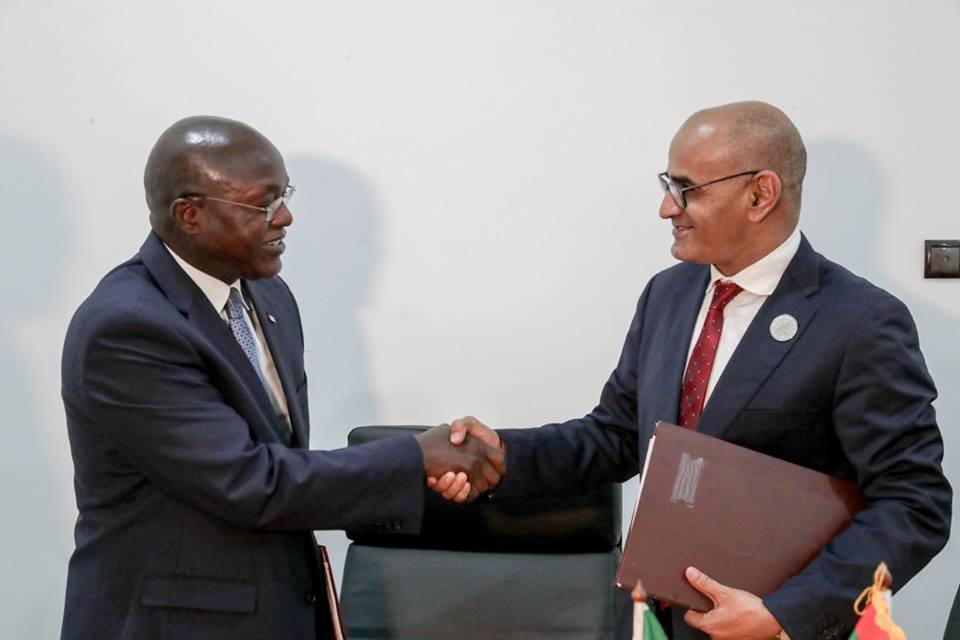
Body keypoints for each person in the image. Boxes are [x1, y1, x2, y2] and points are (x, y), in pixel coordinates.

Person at [429, 101, 951, 640]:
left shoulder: (860, 321)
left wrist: (785, 614)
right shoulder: (668, 294)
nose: (665, 208)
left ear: (760, 194)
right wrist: (500, 457)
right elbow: (616, 435)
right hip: (648, 616)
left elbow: (914, 502)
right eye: (666, 184)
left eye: (686, 188)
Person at [60, 115, 506, 640]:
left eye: (285, 195)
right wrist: (416, 458)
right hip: (174, 624)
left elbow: (285, 462)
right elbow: (253, 482)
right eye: (264, 204)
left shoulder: (268, 298)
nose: (286, 217)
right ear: (190, 215)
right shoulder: (128, 329)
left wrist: (426, 464)